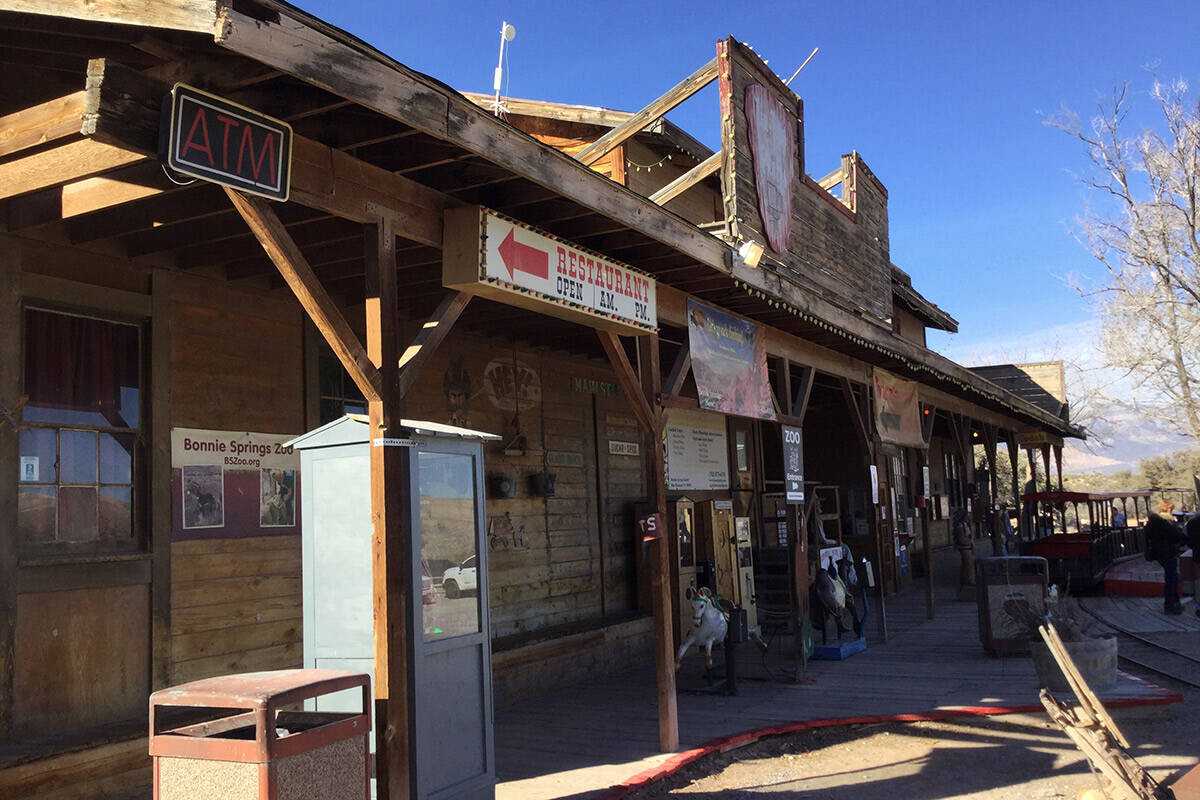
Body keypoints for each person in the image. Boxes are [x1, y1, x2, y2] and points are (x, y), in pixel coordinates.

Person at [1147, 499, 1187, 614]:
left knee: (1170, 577)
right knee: (1172, 578)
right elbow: (1176, 535)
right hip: (1168, 552)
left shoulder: (1152, 522)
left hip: (1158, 553)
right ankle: (1171, 604)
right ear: (1169, 509)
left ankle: (1172, 603)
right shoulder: (1166, 522)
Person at [953, 508, 974, 590]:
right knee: (969, 563)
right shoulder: (960, 526)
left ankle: (966, 579)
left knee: (966, 564)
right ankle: (969, 579)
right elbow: (961, 539)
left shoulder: (965, 525)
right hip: (964, 547)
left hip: (967, 547)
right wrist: (969, 541)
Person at [1187, 512, 1200, 618]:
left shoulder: (1191, 523)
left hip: (1198, 554)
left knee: (1199, 581)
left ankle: (1199, 607)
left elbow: (1188, 540)